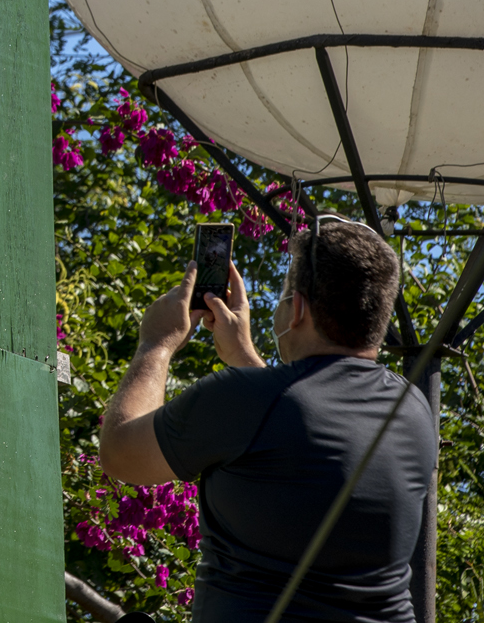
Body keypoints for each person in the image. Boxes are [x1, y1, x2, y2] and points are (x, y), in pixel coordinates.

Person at [99, 215, 435, 621]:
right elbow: (304, 427)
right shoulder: (415, 411)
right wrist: (243, 354)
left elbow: (120, 452)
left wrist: (156, 344)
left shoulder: (242, 400)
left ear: (297, 310)